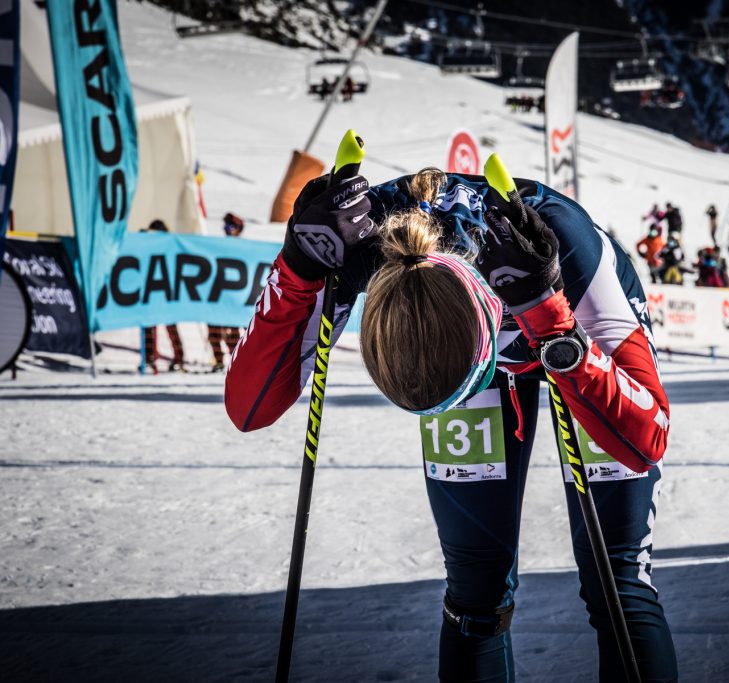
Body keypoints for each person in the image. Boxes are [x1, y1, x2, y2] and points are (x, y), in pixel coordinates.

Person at [225, 166, 678, 682]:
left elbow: (645, 439)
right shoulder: (362, 244)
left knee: (617, 582)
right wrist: (298, 268)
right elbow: (248, 408)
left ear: (483, 336)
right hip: (488, 327)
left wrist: (550, 319)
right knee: (475, 595)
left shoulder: (560, 242)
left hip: (564, 308)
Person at [141, 220, 185, 373]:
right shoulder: (147, 248)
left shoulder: (170, 246)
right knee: (149, 327)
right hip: (152, 292)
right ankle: (149, 358)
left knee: (171, 327)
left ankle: (179, 359)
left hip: (167, 294)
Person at [208, 213, 245, 371]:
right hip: (218, 296)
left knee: (234, 332)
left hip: (234, 297)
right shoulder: (219, 246)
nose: (228, 231)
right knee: (213, 330)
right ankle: (218, 360)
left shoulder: (244, 248)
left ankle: (236, 360)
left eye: (231, 227)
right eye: (225, 227)